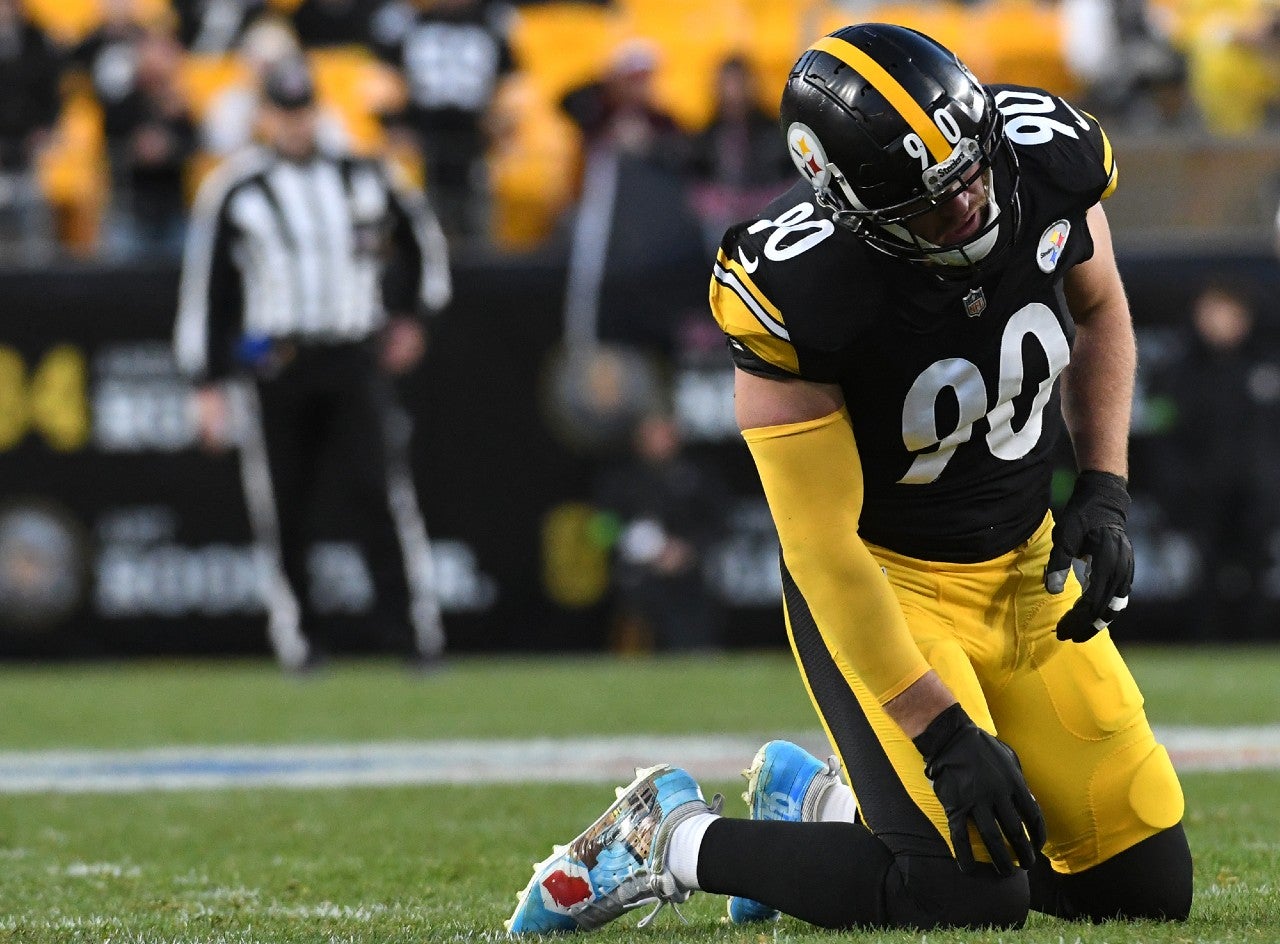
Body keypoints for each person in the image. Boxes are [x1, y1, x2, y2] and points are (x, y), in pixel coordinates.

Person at [507, 23, 1193, 934]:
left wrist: (1103, 487)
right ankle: (669, 837)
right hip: (886, 585)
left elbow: (1099, 308)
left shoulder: (1043, 156)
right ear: (856, 208)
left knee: (1142, 892)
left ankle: (821, 809)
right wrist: (941, 733)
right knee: (967, 897)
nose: (972, 205)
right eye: (933, 202)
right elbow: (822, 547)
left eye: (974, 171)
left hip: (1023, 563)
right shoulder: (800, 286)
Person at [174, 57, 451, 673]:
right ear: (265, 114)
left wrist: (411, 314)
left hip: (353, 353)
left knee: (380, 495)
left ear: (316, 110)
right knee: (285, 507)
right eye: (283, 110)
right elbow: (209, 291)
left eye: (302, 110)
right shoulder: (236, 188)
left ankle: (413, 638)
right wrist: (206, 380)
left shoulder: (365, 174)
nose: (295, 123)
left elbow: (423, 244)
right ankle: (301, 641)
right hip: (278, 362)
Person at [1147, 281, 1280, 640]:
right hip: (1201, 497)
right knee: (1201, 576)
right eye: (1213, 312)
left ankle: (1256, 647)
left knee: (1256, 574)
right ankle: (1203, 644)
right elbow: (1166, 440)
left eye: (1229, 313)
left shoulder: (1264, 368)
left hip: (1257, 497)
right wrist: (1175, 491)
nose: (1220, 322)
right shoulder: (1178, 373)